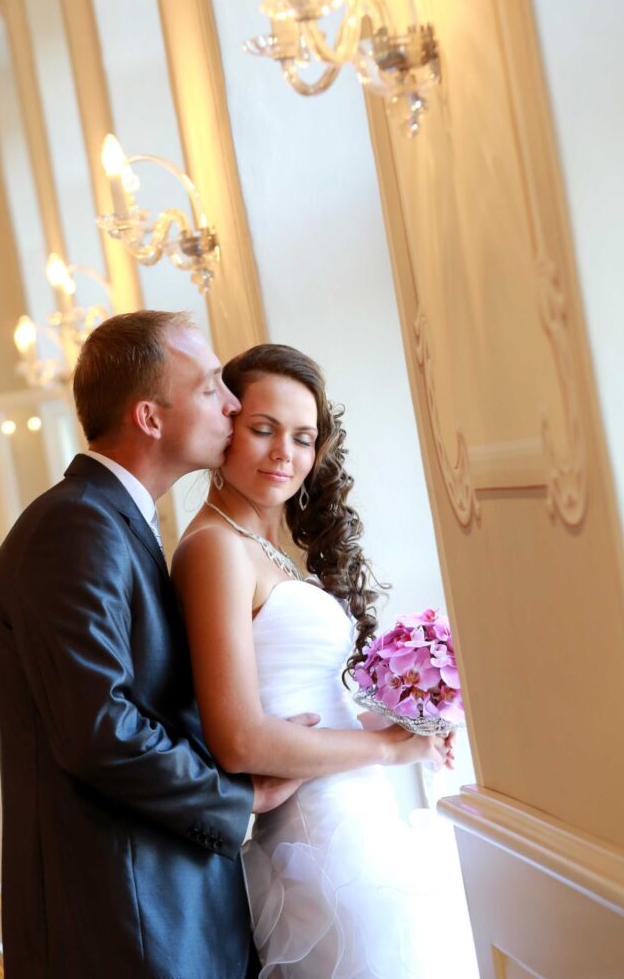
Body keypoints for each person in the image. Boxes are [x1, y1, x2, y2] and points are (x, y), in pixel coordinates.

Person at [0, 312, 305, 979]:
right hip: (127, 924)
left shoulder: (114, 520)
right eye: (211, 386)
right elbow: (100, 731)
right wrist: (239, 798)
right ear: (150, 418)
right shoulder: (75, 527)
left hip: (162, 910)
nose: (233, 404)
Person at [172, 343, 479, 979]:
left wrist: (404, 727)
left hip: (359, 816)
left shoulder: (264, 549)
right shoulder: (213, 549)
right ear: (226, 426)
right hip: (319, 839)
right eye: (263, 429)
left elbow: (302, 710)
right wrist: (387, 750)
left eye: (303, 437)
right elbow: (241, 740)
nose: (285, 453)